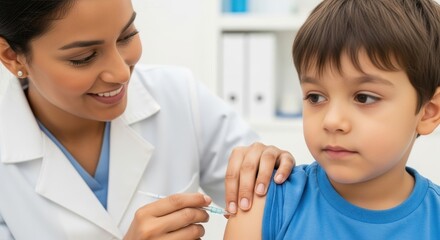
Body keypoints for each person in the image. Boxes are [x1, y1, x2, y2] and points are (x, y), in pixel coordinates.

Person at [0, 0, 297, 239]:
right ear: (12, 57)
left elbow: (279, 214)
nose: (120, 73)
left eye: (127, 36)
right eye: (84, 57)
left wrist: (268, 170)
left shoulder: (179, 96)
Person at [224, 0, 440, 239]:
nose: (332, 121)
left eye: (364, 98)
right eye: (315, 97)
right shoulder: (265, 205)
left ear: (429, 111)